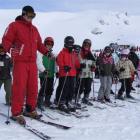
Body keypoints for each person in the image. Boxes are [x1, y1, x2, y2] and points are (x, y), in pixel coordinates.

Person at [2, 5, 49, 125]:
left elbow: (39, 44)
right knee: (19, 87)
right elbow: (6, 39)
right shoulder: (14, 25)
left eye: (33, 16)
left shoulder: (34, 29)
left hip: (32, 63)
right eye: (29, 15)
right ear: (23, 14)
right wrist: (9, 48)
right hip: (20, 62)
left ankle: (30, 109)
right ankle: (17, 112)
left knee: (33, 86)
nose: (31, 18)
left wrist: (47, 52)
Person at [55, 36, 80, 113]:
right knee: (64, 88)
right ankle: (61, 102)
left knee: (72, 88)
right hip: (64, 73)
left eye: (71, 43)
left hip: (72, 74)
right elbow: (59, 61)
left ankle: (68, 101)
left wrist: (80, 66)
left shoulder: (73, 54)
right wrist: (64, 66)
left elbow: (76, 63)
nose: (70, 45)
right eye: (68, 43)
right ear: (65, 43)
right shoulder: (62, 53)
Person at [37, 37, 56, 110]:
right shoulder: (41, 53)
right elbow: (38, 62)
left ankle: (47, 101)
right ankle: (40, 102)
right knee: (43, 88)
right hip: (44, 74)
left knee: (50, 88)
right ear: (45, 44)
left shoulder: (52, 54)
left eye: (51, 44)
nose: (49, 45)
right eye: (48, 44)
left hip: (51, 74)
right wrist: (43, 70)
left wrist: (56, 72)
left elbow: (55, 64)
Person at [76, 39, 96, 106]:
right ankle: (77, 98)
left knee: (88, 87)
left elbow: (93, 62)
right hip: (82, 73)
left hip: (89, 73)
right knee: (80, 87)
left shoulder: (90, 53)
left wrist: (93, 67)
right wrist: (80, 66)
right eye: (85, 44)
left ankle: (85, 98)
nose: (86, 46)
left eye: (88, 45)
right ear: (83, 44)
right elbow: (77, 61)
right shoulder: (80, 52)